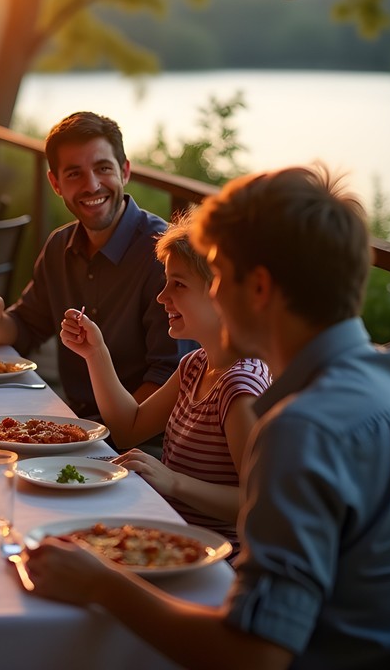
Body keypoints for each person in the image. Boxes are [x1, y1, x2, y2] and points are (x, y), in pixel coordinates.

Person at [26, 166, 390, 669]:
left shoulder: (302, 428)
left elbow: (252, 658)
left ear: (259, 288)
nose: (214, 293)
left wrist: (102, 584)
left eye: (218, 274)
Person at [60, 212, 270, 545]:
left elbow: (260, 504)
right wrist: (95, 352)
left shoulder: (240, 389)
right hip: (166, 531)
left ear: (221, 293)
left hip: (210, 557)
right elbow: (129, 427)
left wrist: (172, 481)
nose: (162, 296)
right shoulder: (195, 365)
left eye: (179, 284)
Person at [0, 111, 181, 423]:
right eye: (74, 174)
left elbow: (171, 376)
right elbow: (23, 329)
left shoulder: (164, 254)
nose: (92, 186)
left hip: (143, 439)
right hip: (74, 419)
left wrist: (105, 432)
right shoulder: (58, 246)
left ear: (125, 171)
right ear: (55, 183)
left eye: (103, 168)